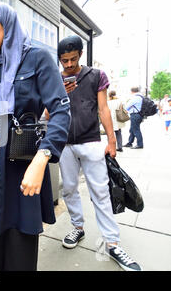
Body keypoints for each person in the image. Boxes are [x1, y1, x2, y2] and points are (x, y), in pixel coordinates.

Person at [0, 2, 71, 271]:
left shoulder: (37, 59)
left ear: (7, 25)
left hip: (22, 169)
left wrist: (42, 158)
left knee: (17, 251)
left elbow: (61, 111)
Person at [57, 35, 141, 271]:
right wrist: (59, 92)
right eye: (64, 60)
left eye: (73, 59)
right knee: (70, 188)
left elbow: (104, 108)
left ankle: (113, 243)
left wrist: (112, 141)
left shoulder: (96, 75)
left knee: (101, 193)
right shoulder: (55, 79)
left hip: (92, 141)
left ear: (81, 55)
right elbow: (47, 114)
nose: (69, 64)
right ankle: (78, 227)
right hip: (64, 145)